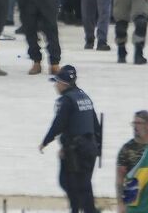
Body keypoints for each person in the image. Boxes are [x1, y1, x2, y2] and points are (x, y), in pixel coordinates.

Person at [41, 65, 101, 213]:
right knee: (84, 184)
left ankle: (83, 209)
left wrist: (45, 141)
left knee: (69, 182)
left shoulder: (66, 100)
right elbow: (95, 125)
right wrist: (97, 146)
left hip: (76, 150)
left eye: (57, 82)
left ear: (64, 84)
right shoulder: (84, 97)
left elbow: (59, 124)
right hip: (90, 147)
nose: (55, 85)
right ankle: (88, 208)